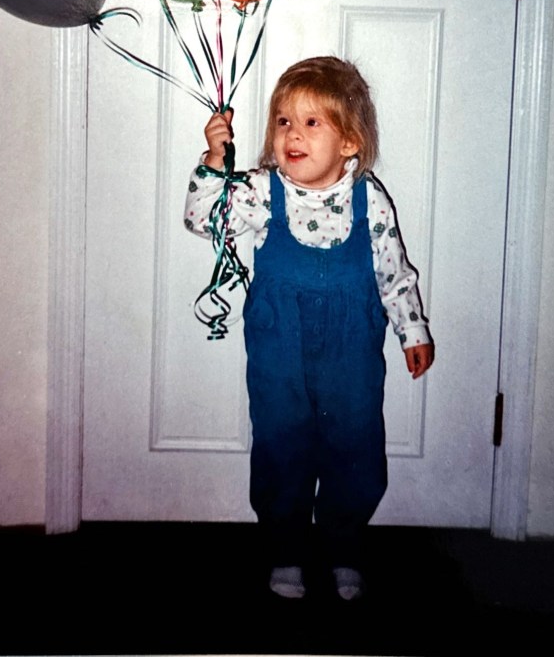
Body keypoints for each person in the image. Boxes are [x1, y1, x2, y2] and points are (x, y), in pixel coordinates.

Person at [184, 56, 434, 601]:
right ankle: (286, 548)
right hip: (280, 349)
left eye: (311, 122)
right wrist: (213, 160)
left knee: (354, 446)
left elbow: (394, 273)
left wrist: (412, 329)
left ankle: (344, 546)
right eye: (282, 121)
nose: (292, 134)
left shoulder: (371, 201)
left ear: (350, 141)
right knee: (281, 445)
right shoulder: (258, 191)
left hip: (351, 352)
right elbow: (202, 220)